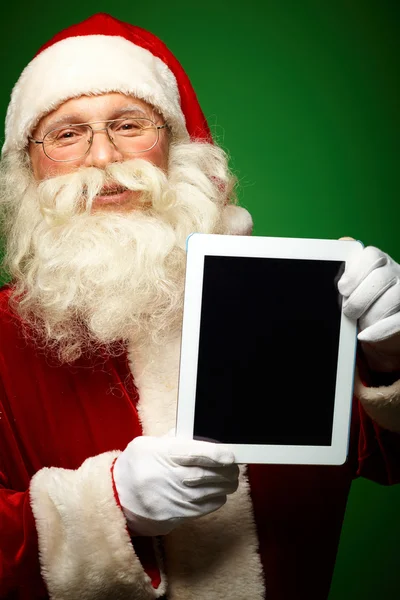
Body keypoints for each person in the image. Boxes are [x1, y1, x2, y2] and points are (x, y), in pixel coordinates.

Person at [0, 12, 399, 600]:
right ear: (28, 166)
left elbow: (381, 453)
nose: (104, 155)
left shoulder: (285, 296)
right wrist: (109, 507)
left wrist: (390, 357)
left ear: (175, 146)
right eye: (66, 133)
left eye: (129, 124)